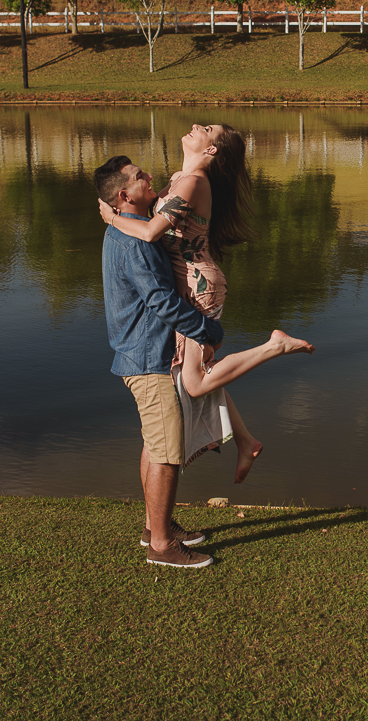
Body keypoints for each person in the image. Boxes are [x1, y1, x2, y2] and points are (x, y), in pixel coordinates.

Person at [98, 124, 314, 484]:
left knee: (195, 383)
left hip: (200, 288)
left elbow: (150, 231)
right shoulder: (178, 178)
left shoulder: (194, 182)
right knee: (196, 373)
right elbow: (144, 214)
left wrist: (113, 218)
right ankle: (245, 442)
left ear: (211, 150)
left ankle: (274, 346)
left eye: (207, 129)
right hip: (185, 287)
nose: (196, 126)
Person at [96, 155, 223, 569]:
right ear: (124, 195)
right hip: (148, 359)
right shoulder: (135, 241)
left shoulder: (127, 230)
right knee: (167, 451)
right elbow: (161, 302)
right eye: (139, 177)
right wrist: (208, 331)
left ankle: (157, 526)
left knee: (156, 444)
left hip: (141, 353)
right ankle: (162, 546)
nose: (148, 177)